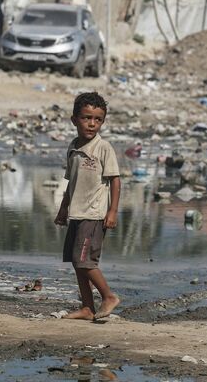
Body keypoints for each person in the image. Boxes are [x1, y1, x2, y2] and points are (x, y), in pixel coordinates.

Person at [54, 92, 121, 321]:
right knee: (77, 262)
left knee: (85, 261)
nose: (92, 124)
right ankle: (87, 307)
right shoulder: (73, 147)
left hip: (94, 215)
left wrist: (112, 211)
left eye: (97, 119)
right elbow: (71, 182)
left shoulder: (103, 148)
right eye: (86, 118)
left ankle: (108, 296)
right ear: (74, 120)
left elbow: (115, 180)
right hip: (76, 213)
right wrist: (63, 209)